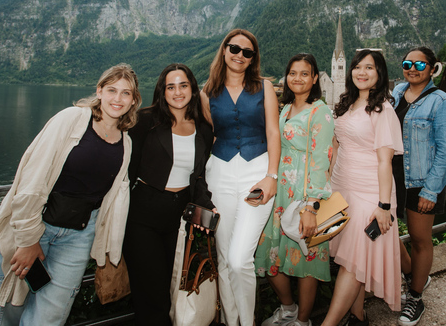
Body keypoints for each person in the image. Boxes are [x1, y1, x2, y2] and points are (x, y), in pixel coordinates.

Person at [0, 63, 141, 326]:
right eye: (112, 90)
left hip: (78, 237)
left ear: (134, 100)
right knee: (8, 311)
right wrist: (27, 239)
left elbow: (112, 200)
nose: (118, 98)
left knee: (50, 317)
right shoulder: (71, 119)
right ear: (99, 91)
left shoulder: (125, 141)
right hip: (39, 226)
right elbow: (33, 178)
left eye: (126, 93)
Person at [200, 28, 281, 326]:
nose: (240, 55)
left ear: (253, 59)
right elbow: (210, 134)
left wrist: (272, 176)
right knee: (223, 258)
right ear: (224, 50)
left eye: (247, 52)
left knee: (238, 259)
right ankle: (230, 321)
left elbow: (273, 131)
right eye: (235, 49)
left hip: (257, 172)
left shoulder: (264, 87)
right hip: (219, 173)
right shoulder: (206, 93)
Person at [124, 63, 215, 325]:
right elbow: (128, 170)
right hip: (144, 215)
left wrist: (207, 206)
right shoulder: (145, 121)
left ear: (192, 89)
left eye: (183, 85)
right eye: (170, 87)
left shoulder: (204, 129)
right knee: (151, 294)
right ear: (162, 92)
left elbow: (198, 177)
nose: (177, 92)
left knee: (176, 287)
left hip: (180, 218)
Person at [321, 50, 404, 326]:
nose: (362, 72)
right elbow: (336, 145)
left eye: (369, 67)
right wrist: (327, 185)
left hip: (369, 191)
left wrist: (383, 206)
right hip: (342, 187)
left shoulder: (383, 109)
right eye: (357, 66)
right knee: (354, 258)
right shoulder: (348, 103)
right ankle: (357, 317)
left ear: (379, 74)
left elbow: (385, 162)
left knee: (351, 263)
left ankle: (329, 323)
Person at [255, 54, 335, 326]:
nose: (297, 78)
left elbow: (321, 159)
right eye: (292, 73)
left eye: (304, 73)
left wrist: (311, 206)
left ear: (315, 78)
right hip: (280, 193)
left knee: (306, 261)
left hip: (304, 193)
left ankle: (302, 321)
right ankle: (287, 308)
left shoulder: (320, 111)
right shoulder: (286, 107)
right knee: (268, 253)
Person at [391, 47, 446, 326]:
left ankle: (415, 297)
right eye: (407, 63)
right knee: (388, 236)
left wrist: (431, 190)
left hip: (422, 180)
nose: (413, 68)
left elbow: (445, 151)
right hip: (392, 179)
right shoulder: (395, 94)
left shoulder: (441, 102)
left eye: (420, 64)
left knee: (419, 240)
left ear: (432, 68)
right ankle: (414, 276)